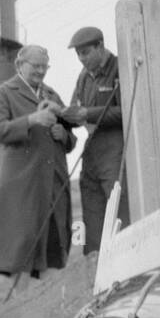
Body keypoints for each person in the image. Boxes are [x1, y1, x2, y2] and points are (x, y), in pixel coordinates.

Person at [0, 44, 76, 278]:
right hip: (23, 180)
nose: (40, 71)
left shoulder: (52, 95)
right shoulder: (4, 92)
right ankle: (17, 293)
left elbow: (71, 138)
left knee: (54, 238)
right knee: (21, 239)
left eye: (44, 67)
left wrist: (63, 135)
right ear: (19, 65)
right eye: (35, 66)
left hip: (53, 177)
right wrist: (31, 120)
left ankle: (44, 290)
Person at [60, 27, 131, 256]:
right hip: (92, 149)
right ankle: (95, 261)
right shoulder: (83, 77)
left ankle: (128, 259)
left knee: (118, 203)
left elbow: (127, 111)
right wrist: (60, 114)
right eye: (78, 54)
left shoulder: (121, 68)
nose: (82, 58)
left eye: (86, 52)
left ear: (100, 46)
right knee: (90, 201)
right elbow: (75, 109)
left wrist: (87, 114)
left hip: (116, 147)